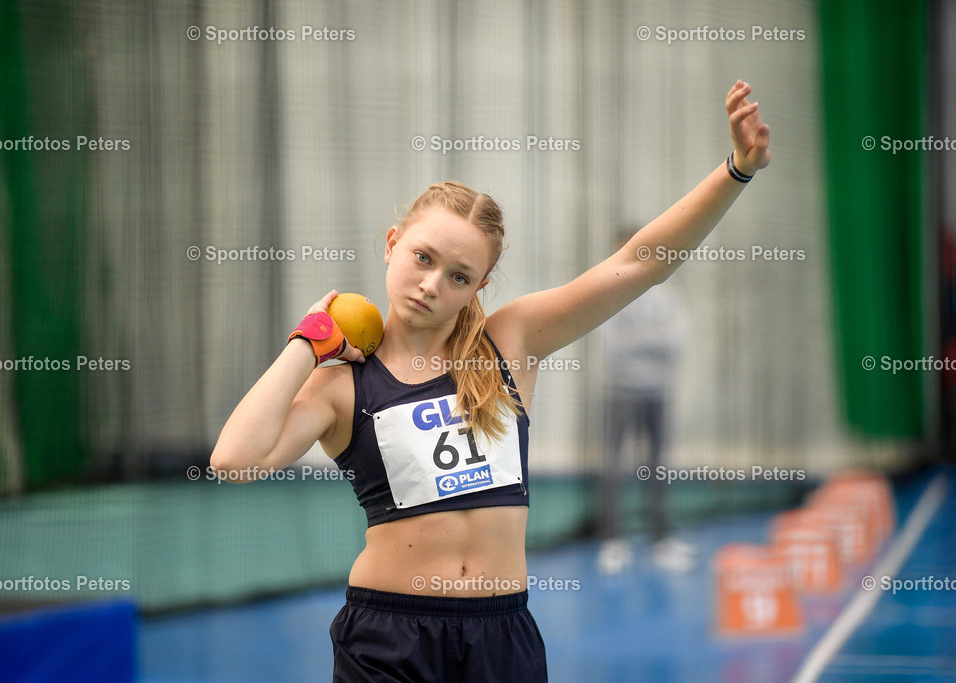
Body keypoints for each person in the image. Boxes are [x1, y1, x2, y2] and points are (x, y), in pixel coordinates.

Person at [211, 80, 770, 682]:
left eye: (458, 276)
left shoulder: (511, 343)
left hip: (502, 637)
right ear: (393, 245)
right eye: (423, 259)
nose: (431, 284)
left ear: (479, 286)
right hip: (389, 639)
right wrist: (306, 343)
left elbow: (638, 264)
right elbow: (233, 462)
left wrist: (735, 171)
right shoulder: (343, 385)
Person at [596, 271, 691, 574]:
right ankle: (612, 542)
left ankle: (661, 541)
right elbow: (613, 346)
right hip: (622, 391)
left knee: (659, 464)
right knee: (615, 465)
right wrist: (652, 341)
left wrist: (639, 341)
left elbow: (676, 341)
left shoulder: (666, 297)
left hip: (659, 391)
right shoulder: (614, 299)